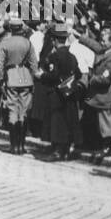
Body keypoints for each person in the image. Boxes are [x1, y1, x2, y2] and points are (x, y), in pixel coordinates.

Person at [36, 23, 82, 160]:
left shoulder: (54, 56)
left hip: (56, 94)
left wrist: (41, 76)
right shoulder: (72, 56)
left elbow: (53, 75)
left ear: (55, 40)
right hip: (69, 93)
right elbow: (78, 74)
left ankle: (56, 151)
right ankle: (66, 151)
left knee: (56, 122)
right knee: (68, 121)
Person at [0, 16, 38, 154]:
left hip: (11, 77)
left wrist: (0, 79)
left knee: (13, 110)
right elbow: (34, 64)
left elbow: (0, 64)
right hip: (25, 78)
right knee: (23, 112)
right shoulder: (28, 43)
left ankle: (14, 146)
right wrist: (31, 77)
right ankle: (22, 146)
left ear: (11, 29)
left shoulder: (5, 43)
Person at [84, 26, 111, 164]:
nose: (102, 42)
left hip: (105, 95)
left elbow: (106, 78)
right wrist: (80, 36)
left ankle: (108, 147)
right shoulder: (108, 50)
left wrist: (91, 78)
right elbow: (95, 45)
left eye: (104, 40)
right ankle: (103, 146)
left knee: (107, 122)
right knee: (102, 123)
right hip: (100, 95)